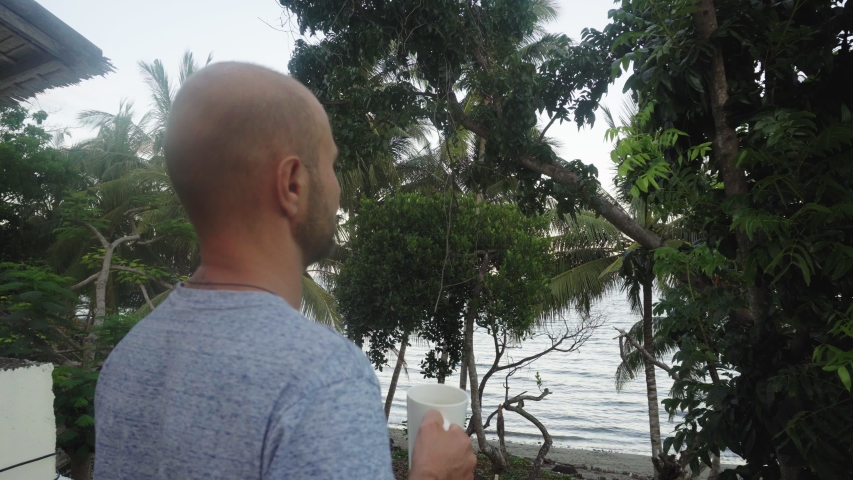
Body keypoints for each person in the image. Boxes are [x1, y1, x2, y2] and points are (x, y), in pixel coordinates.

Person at [93, 62, 477, 479]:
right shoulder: (321, 378)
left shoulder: (127, 360)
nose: (337, 189)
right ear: (293, 183)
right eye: (330, 164)